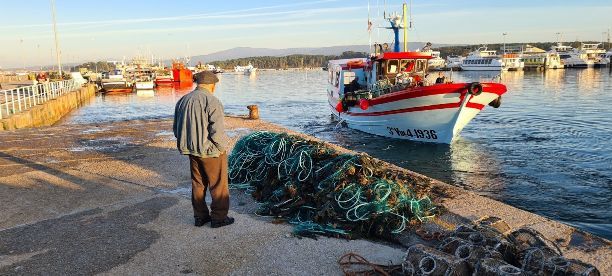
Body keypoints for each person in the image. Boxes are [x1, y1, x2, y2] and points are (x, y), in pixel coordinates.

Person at [173, 71, 234, 228]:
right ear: (212, 85)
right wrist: (221, 148)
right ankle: (219, 218)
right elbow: (217, 131)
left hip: (191, 150)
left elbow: (176, 128)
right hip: (211, 151)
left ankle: (200, 217)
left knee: (198, 184)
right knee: (219, 185)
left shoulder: (183, 100)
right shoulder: (212, 101)